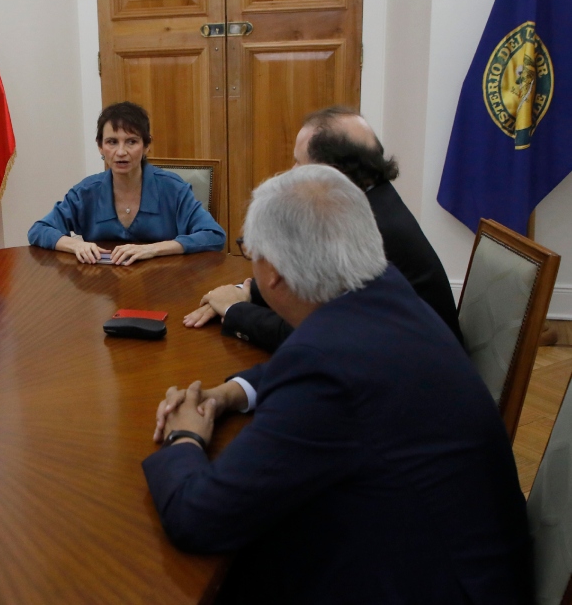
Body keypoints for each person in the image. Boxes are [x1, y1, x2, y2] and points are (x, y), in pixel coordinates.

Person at [146, 165, 531, 604]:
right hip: (465, 555)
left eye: (249, 250)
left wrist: (184, 437)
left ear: (272, 272)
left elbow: (200, 518)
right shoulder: (384, 289)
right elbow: (327, 370)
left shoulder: (327, 365)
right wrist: (231, 393)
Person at [184, 107, 462, 351]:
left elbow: (312, 331)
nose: (292, 170)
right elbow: (310, 286)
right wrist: (248, 292)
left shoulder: (364, 227)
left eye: (299, 162)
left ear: (331, 172)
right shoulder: (374, 199)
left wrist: (234, 310)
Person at [27, 102, 225, 265]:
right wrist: (76, 245)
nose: (121, 152)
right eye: (112, 142)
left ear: (146, 145)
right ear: (100, 146)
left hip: (165, 284)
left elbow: (214, 235)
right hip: (102, 286)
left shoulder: (173, 189)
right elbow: (39, 230)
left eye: (131, 141)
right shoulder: (86, 191)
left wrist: (153, 249)